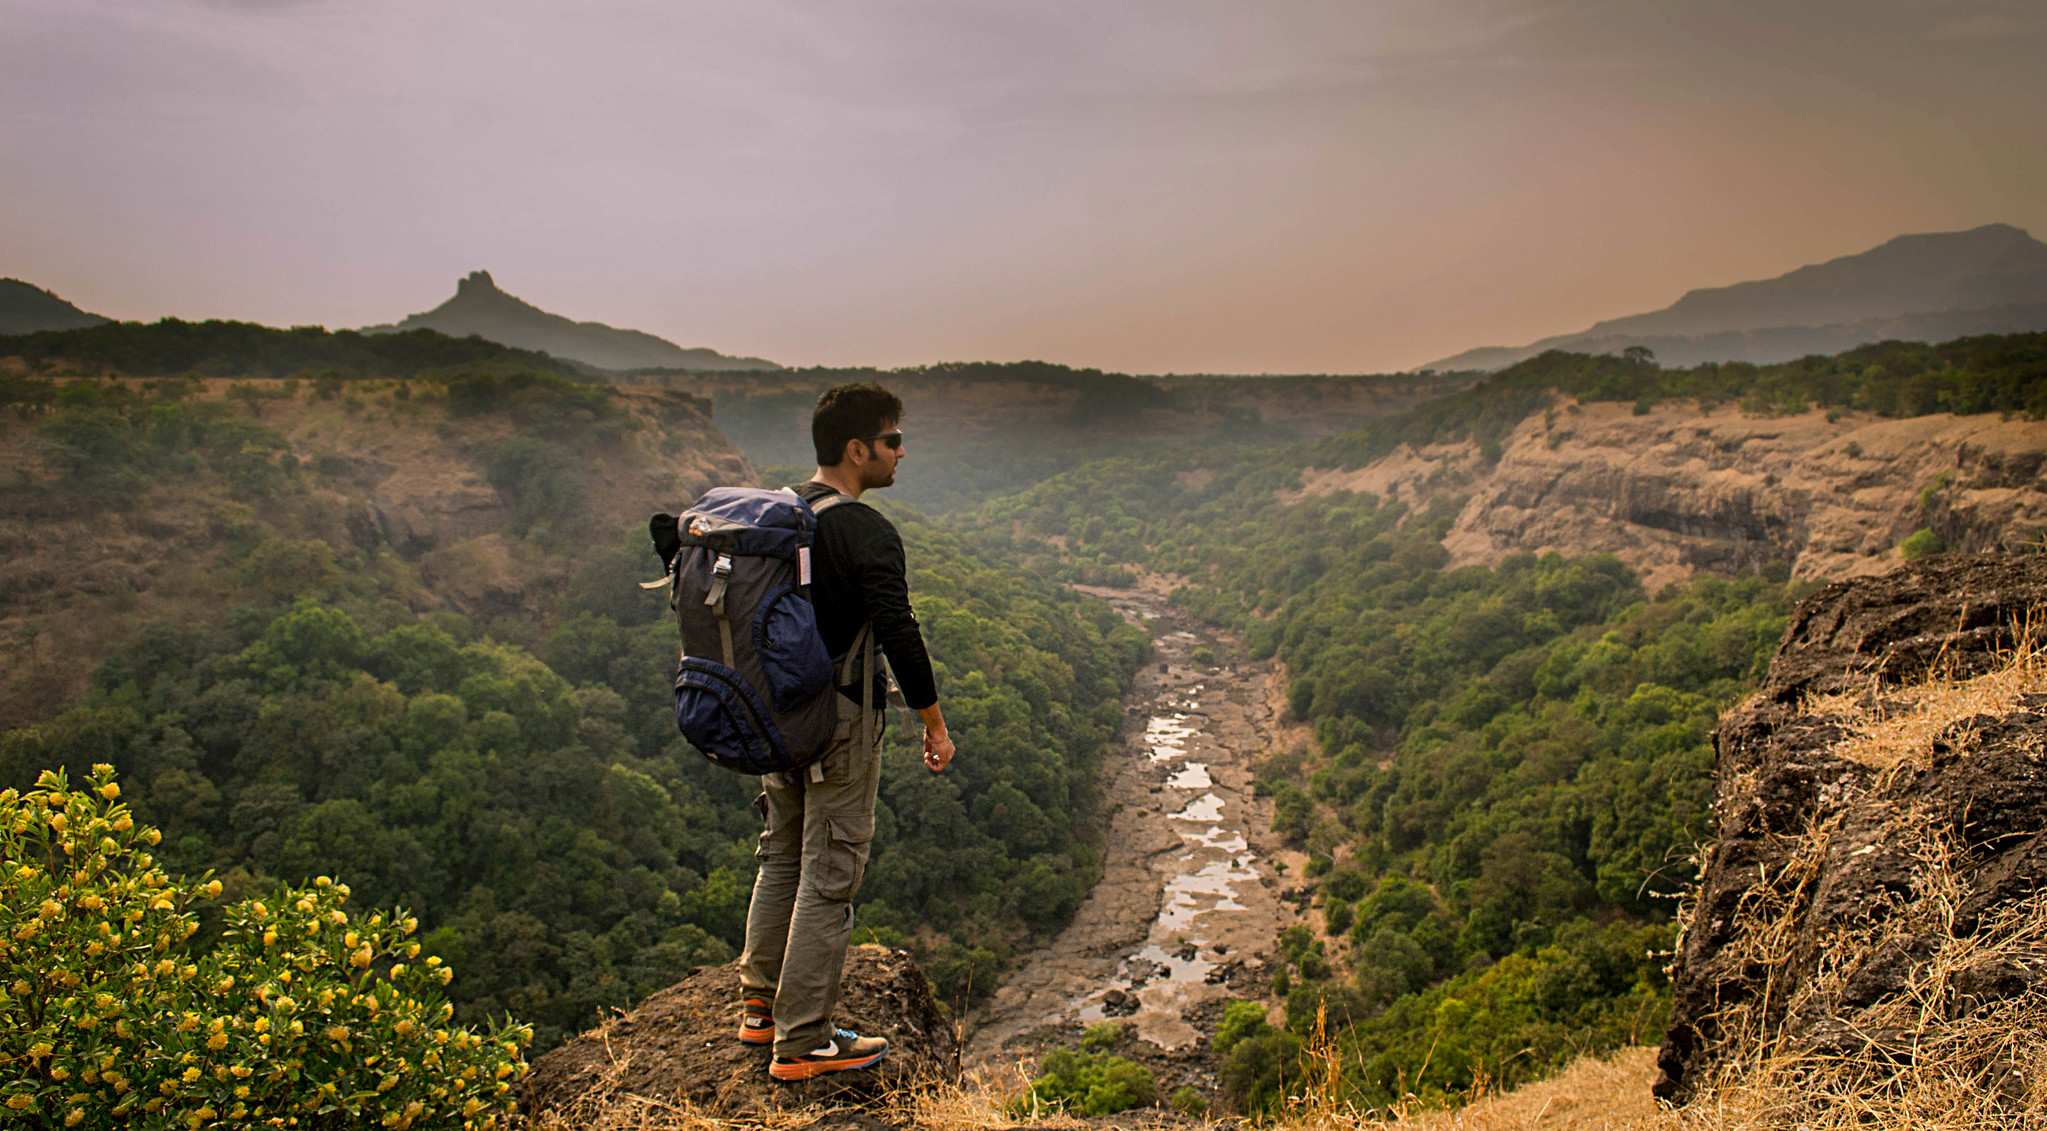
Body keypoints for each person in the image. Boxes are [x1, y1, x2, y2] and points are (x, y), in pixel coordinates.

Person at [736, 383, 956, 1081]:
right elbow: (898, 632)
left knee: (781, 854)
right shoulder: (864, 529)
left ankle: (760, 1007)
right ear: (857, 449)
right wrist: (934, 725)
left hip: (777, 712)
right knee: (831, 873)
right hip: (840, 720)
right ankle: (803, 1040)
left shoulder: (782, 512)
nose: (900, 452)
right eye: (893, 440)